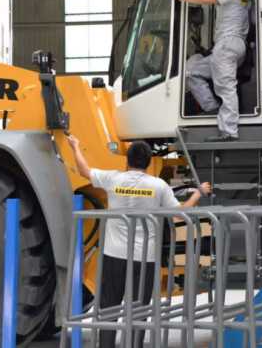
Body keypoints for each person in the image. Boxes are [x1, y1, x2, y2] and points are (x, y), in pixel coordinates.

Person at [66, 135, 212, 348]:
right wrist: (198, 193)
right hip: (144, 258)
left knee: (108, 309)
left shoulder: (113, 179)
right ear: (149, 162)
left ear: (127, 160)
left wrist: (75, 146)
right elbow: (178, 215)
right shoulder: (158, 186)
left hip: (113, 255)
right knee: (139, 311)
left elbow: (84, 171)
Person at [168, 0, 251, 141]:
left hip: (227, 45)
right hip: (230, 46)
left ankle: (229, 131)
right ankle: (212, 109)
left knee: (225, 87)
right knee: (191, 71)